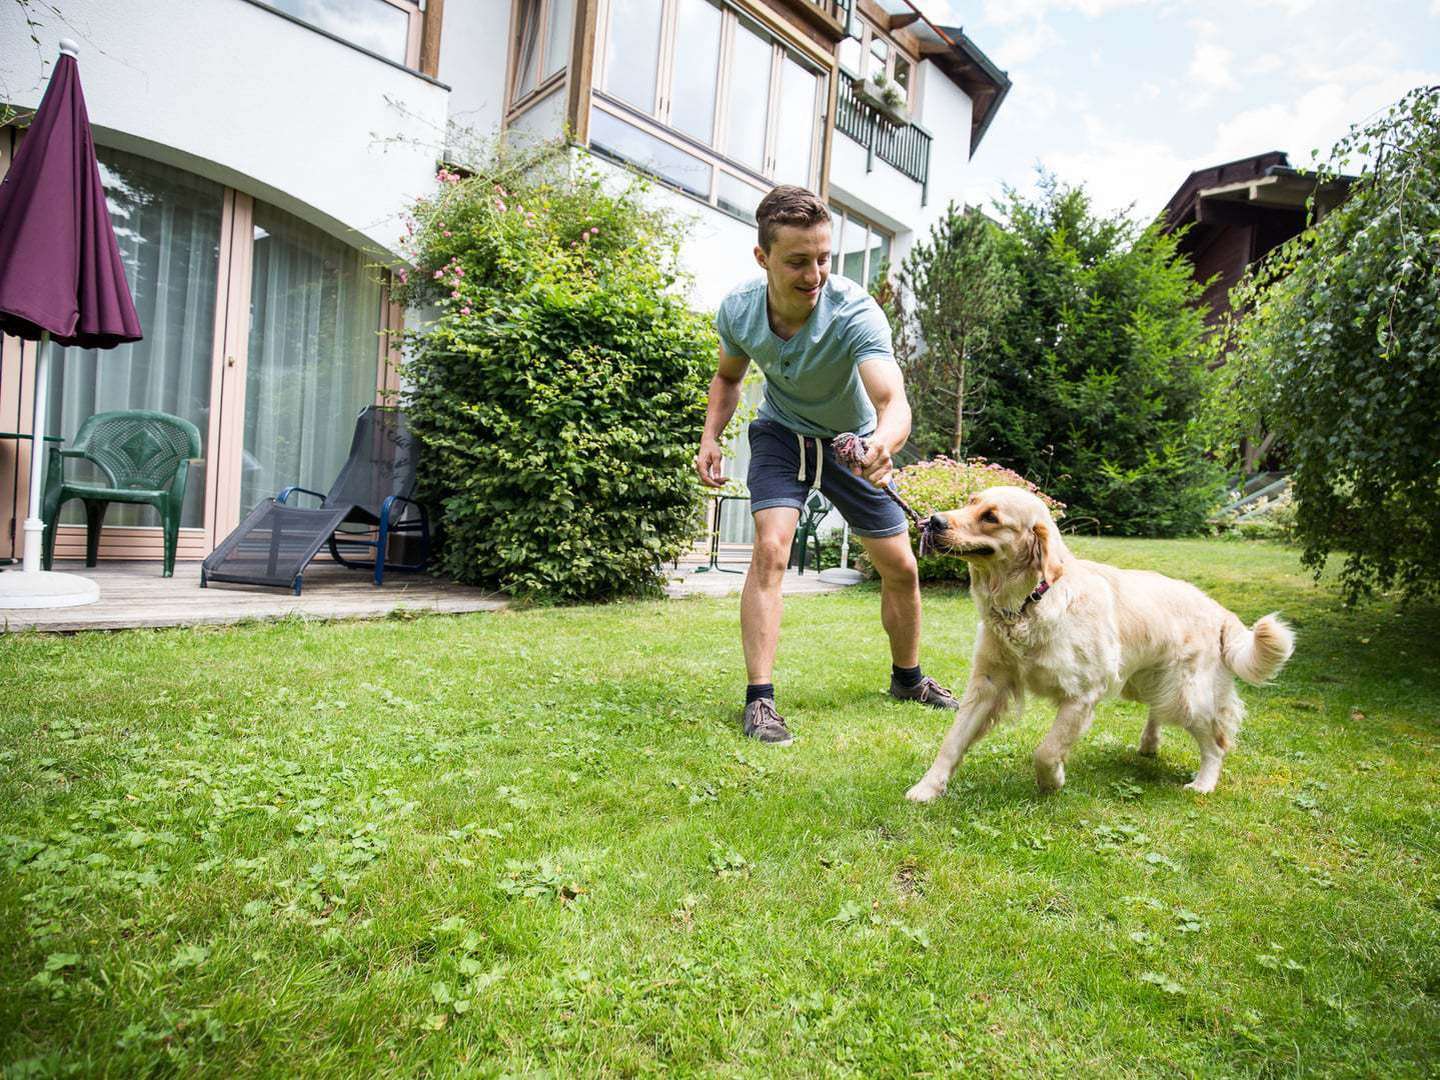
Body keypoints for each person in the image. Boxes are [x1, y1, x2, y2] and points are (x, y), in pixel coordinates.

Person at [695, 185, 958, 746]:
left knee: (903, 568)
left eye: (823, 258)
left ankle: (907, 680)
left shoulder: (854, 311)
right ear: (763, 258)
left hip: (852, 444)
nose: (814, 273)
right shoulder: (740, 310)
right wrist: (710, 436)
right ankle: (760, 701)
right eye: (797, 261)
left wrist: (883, 444)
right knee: (770, 549)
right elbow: (729, 377)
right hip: (781, 435)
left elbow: (893, 401)